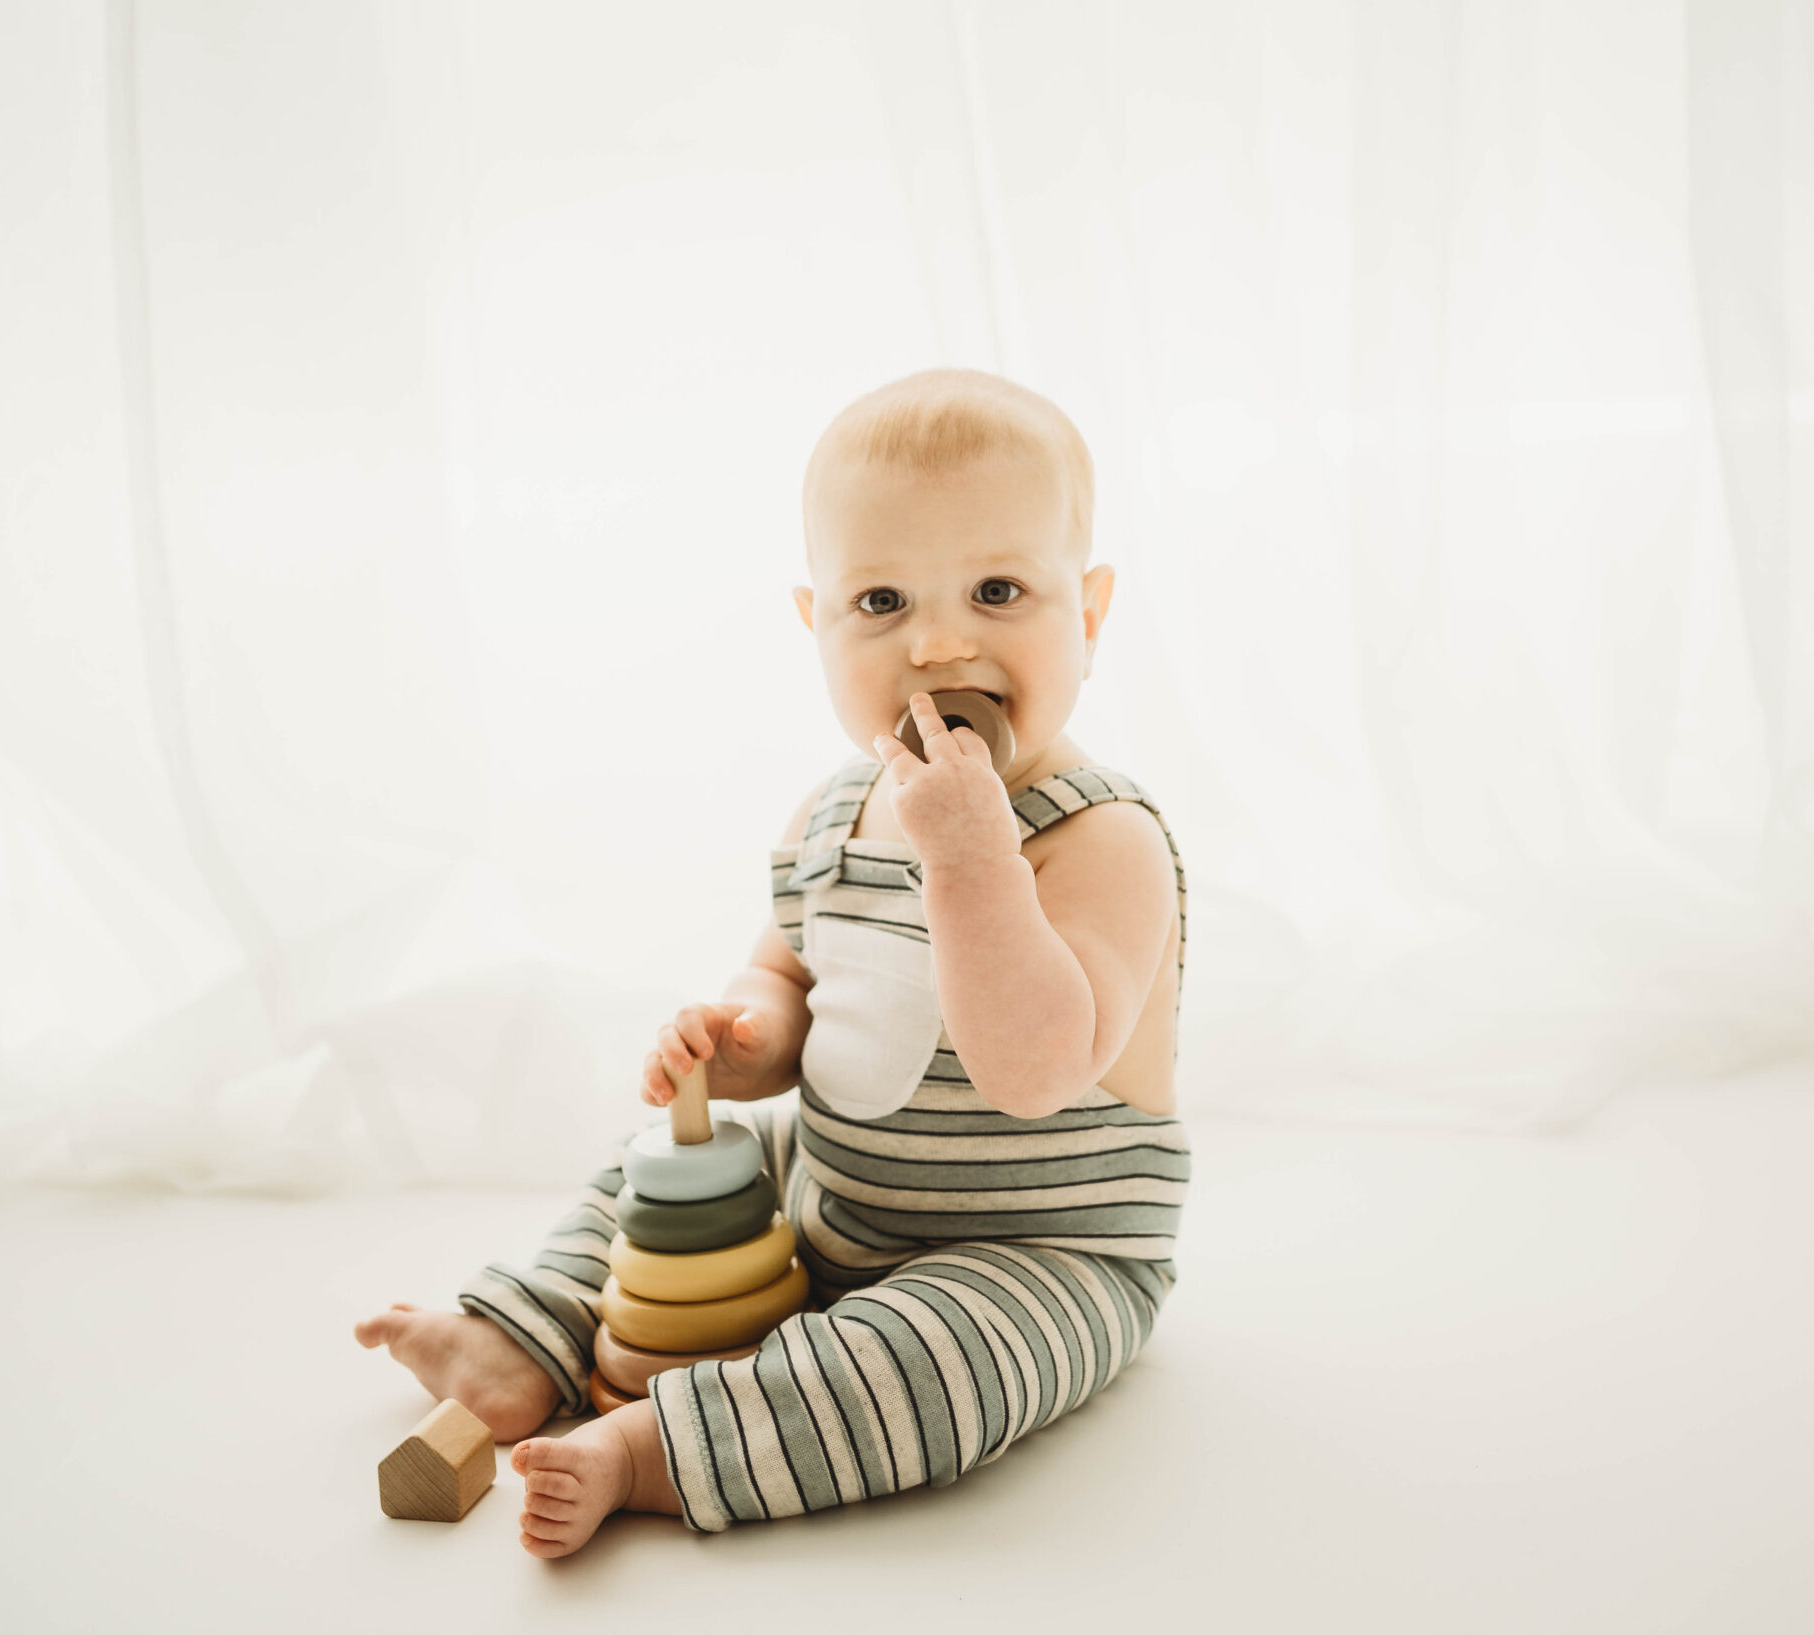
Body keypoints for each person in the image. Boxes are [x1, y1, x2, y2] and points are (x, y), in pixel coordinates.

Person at [354, 368, 1189, 1556]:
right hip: (838, 1181)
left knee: (935, 1364)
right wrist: (743, 1037)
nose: (938, 641)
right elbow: (789, 976)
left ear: (1089, 614)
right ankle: (523, 1336)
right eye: (882, 599)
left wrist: (973, 863)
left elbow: (1034, 1070)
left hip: (1037, 1248)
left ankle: (657, 1448)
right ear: (818, 627)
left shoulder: (1099, 837)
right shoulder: (836, 810)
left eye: (997, 590)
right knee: (673, 1168)